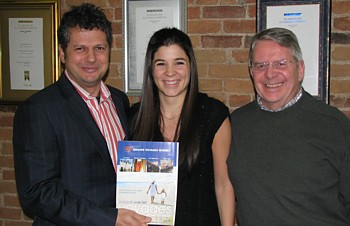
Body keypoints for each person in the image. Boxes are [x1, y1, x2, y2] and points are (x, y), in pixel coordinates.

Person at [12, 3, 151, 226]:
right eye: (80, 49)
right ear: (62, 54)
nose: (91, 58)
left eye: (99, 48)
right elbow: (37, 193)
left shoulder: (119, 100)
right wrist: (109, 218)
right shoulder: (38, 110)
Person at [228, 27, 350, 225]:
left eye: (281, 64)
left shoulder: (334, 125)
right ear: (251, 72)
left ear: (300, 69)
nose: (270, 74)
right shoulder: (236, 124)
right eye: (261, 66)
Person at [128, 27, 235, 226]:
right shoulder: (134, 118)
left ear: (190, 66)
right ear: (151, 69)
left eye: (179, 63)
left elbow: (223, 185)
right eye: (161, 64)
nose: (170, 72)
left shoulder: (213, 115)